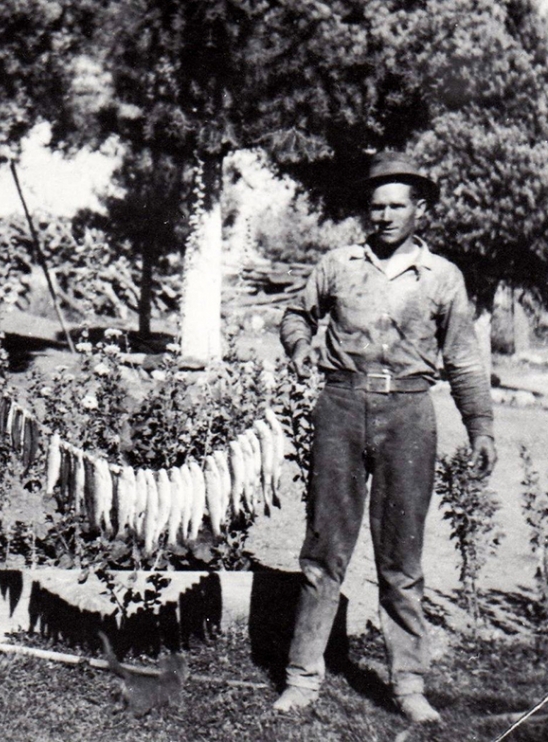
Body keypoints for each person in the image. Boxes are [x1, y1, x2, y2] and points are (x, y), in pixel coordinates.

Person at [272, 152, 497, 723]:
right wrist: (301, 348)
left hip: (410, 414)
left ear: (420, 211)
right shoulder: (339, 264)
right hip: (341, 407)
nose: (386, 216)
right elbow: (296, 316)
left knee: (402, 558)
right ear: (365, 212)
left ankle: (408, 685)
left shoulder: (442, 277)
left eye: (398, 206)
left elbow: (465, 359)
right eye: (377, 207)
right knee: (325, 549)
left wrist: (482, 426)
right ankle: (302, 677)